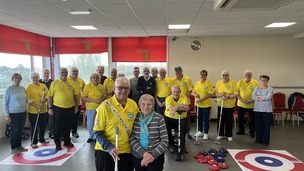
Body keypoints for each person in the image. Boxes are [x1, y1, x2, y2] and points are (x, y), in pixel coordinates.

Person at [94, 77, 139, 171]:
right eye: (120, 88)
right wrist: (109, 147)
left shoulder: (133, 105)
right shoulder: (104, 106)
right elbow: (97, 132)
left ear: (130, 90)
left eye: (126, 88)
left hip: (127, 152)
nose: (123, 90)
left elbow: (138, 127)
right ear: (114, 89)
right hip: (106, 152)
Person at [130, 94, 168, 171]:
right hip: (138, 156)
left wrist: (152, 155)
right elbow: (132, 139)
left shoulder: (159, 118)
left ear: (153, 106)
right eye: (143, 104)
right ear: (139, 105)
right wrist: (144, 154)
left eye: (149, 104)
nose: (146, 107)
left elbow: (165, 141)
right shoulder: (135, 118)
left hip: (156, 157)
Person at [48, 67, 79, 151]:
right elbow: (50, 96)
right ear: (59, 73)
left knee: (68, 126)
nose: (64, 73)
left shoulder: (71, 83)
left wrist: (76, 106)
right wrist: (50, 107)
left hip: (70, 108)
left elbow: (75, 96)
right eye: (62, 72)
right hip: (57, 108)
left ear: (67, 73)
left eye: (65, 72)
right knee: (57, 127)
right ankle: (57, 144)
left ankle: (67, 141)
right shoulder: (54, 83)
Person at [3, 73, 28, 155]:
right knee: (14, 131)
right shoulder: (8, 89)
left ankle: (19, 146)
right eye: (15, 78)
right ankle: (13, 148)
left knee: (20, 130)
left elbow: (26, 100)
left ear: (21, 79)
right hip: (13, 114)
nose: (17, 79)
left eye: (18, 78)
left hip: (23, 112)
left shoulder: (22, 88)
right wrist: (7, 115)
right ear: (12, 79)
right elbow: (5, 103)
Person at [26, 72, 49, 148]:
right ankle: (34, 142)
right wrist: (36, 105)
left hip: (43, 109)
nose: (35, 79)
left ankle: (42, 139)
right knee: (34, 127)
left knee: (42, 126)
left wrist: (44, 100)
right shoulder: (29, 87)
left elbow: (48, 95)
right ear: (31, 78)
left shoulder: (43, 86)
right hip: (33, 111)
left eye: (37, 77)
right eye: (33, 77)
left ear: (39, 78)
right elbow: (27, 99)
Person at [214, 70, 237, 142]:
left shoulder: (233, 83)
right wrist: (221, 95)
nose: (225, 76)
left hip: (229, 106)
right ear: (221, 76)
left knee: (229, 120)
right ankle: (220, 134)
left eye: (226, 75)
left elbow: (236, 94)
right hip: (220, 105)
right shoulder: (218, 83)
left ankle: (229, 135)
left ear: (228, 76)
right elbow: (215, 94)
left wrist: (228, 97)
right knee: (220, 119)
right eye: (223, 75)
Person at [82, 73, 106, 143]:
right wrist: (94, 100)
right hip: (90, 108)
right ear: (91, 79)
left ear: (99, 79)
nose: (95, 79)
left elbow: (104, 96)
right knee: (90, 123)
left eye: (97, 78)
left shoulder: (101, 86)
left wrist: (101, 99)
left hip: (100, 108)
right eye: (93, 78)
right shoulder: (87, 86)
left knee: (99, 123)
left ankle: (97, 137)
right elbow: (84, 97)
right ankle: (91, 136)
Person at [165, 85, 189, 151]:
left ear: (180, 92)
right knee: (165, 124)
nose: (176, 93)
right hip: (170, 119)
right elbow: (169, 109)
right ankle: (171, 143)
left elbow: (186, 108)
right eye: (174, 92)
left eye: (177, 92)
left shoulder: (184, 97)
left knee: (184, 124)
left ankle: (182, 144)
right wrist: (181, 106)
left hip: (181, 118)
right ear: (171, 92)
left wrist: (175, 107)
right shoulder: (168, 98)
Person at [172, 66, 193, 139]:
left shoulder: (187, 79)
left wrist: (184, 100)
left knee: (186, 118)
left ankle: (187, 132)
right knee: (176, 118)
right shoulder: (173, 80)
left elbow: (190, 90)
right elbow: (172, 91)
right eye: (176, 71)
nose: (177, 72)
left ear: (182, 71)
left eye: (178, 71)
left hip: (185, 102)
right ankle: (176, 132)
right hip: (176, 103)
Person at [236, 70, 259, 138]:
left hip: (252, 104)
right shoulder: (240, 82)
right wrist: (242, 100)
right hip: (241, 104)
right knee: (240, 118)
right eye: (246, 74)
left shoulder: (255, 82)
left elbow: (258, 93)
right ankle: (241, 130)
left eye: (249, 74)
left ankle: (252, 131)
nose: (247, 76)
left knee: (252, 119)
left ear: (251, 75)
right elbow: (237, 93)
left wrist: (252, 100)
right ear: (244, 75)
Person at [252, 75, 273, 146]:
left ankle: (265, 141)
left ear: (267, 81)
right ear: (260, 80)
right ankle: (258, 139)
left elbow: (269, 97)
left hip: (267, 110)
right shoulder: (256, 88)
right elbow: (253, 96)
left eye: (265, 80)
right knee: (258, 125)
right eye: (262, 80)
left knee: (266, 126)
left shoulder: (270, 89)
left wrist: (259, 97)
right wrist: (263, 97)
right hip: (257, 109)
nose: (263, 82)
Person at [192, 70, 213, 140]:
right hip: (198, 104)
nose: (203, 76)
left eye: (204, 75)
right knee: (199, 118)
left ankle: (206, 133)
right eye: (202, 75)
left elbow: (210, 94)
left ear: (206, 76)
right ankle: (200, 131)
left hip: (206, 105)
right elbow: (193, 92)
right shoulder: (197, 83)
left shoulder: (208, 83)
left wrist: (202, 99)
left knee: (206, 119)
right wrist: (196, 95)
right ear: (200, 75)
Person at [68, 67, 86, 138]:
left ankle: (74, 132)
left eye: (76, 71)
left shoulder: (81, 80)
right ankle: (66, 133)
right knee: (68, 119)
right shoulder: (66, 79)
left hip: (78, 103)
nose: (75, 72)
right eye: (73, 71)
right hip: (68, 104)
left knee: (75, 119)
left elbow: (85, 90)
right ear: (70, 72)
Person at [39, 68, 54, 139]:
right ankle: (41, 135)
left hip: (50, 103)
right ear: (42, 73)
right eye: (45, 73)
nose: (46, 74)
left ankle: (51, 132)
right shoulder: (38, 82)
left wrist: (46, 99)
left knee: (51, 118)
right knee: (42, 120)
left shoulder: (52, 82)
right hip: (41, 104)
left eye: (47, 73)